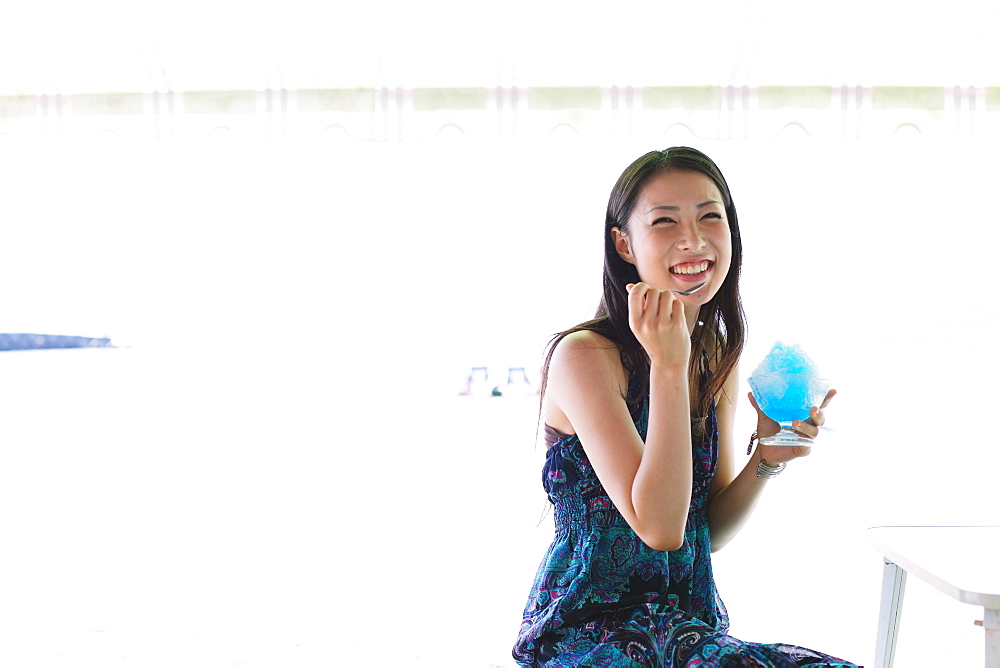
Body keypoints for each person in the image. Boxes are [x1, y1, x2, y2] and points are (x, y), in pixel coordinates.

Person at [512, 147, 857, 667]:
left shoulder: (715, 353)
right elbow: (660, 527)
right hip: (585, 634)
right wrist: (667, 368)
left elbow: (703, 533)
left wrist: (766, 458)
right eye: (665, 221)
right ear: (623, 243)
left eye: (709, 216)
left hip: (687, 628)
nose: (693, 240)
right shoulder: (584, 357)